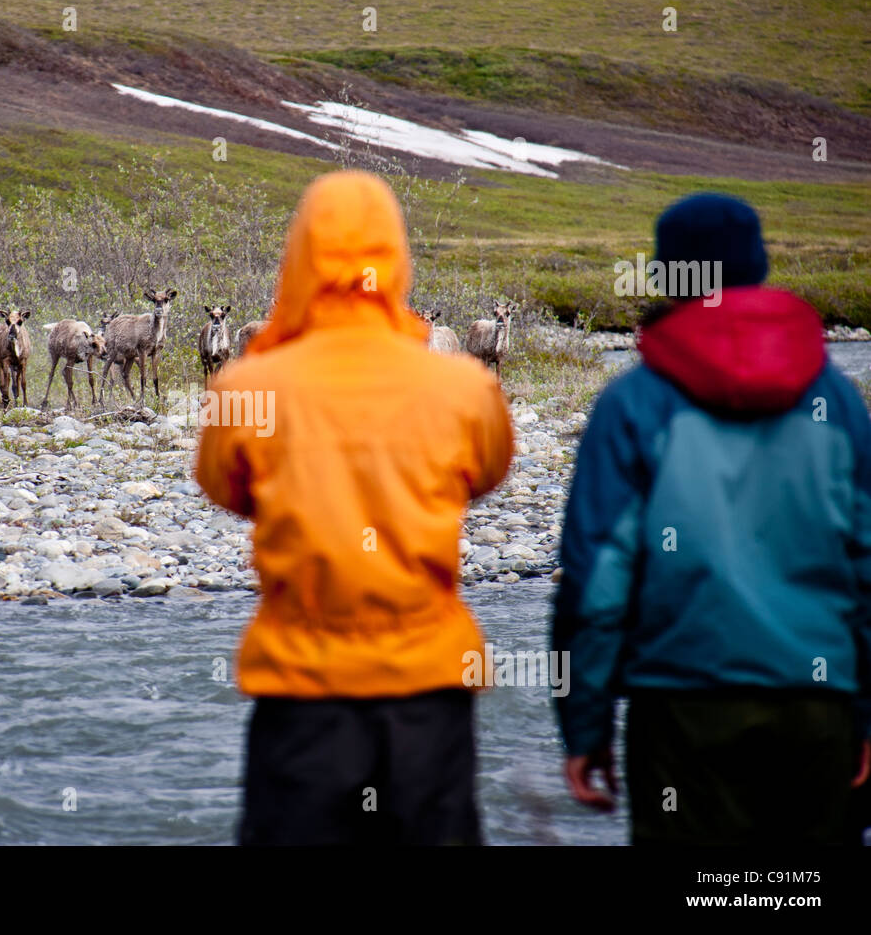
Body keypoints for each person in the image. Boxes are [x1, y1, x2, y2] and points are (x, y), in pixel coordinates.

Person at [195, 170, 513, 845]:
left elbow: (224, 487)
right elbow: (484, 475)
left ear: (300, 257)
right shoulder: (462, 386)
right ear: (395, 258)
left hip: (302, 693)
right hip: (429, 689)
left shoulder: (250, 385)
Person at [552, 192, 871, 844]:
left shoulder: (634, 403)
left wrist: (585, 725)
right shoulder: (836, 401)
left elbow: (596, 583)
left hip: (682, 710)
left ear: (670, 274)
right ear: (757, 266)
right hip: (818, 708)